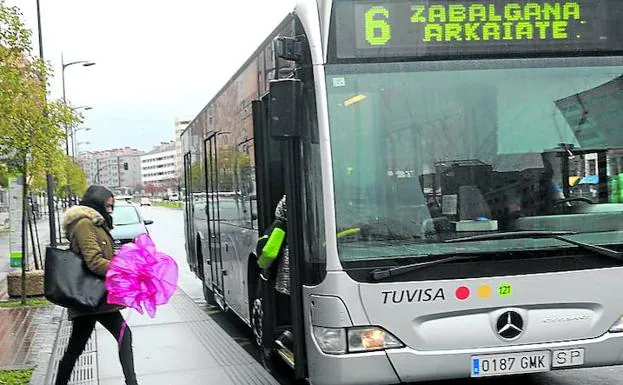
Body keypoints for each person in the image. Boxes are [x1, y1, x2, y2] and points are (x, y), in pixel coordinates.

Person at [54, 185, 139, 385]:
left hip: (98, 297)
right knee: (121, 335)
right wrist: (123, 269)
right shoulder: (84, 224)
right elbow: (93, 260)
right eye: (108, 206)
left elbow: (104, 255)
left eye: (112, 207)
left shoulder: (95, 223)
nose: (110, 210)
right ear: (97, 201)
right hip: (91, 296)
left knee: (77, 347)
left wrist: (123, 260)